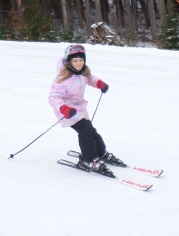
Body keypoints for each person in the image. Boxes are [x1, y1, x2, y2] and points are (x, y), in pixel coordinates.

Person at [48, 44, 124, 177]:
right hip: (67, 111)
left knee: (92, 132)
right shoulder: (62, 79)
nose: (78, 63)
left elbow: (91, 79)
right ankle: (89, 160)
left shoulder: (83, 72)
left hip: (80, 109)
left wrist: (100, 83)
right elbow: (53, 98)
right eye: (75, 60)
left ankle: (101, 153)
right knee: (85, 132)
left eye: (81, 60)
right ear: (68, 61)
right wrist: (64, 108)